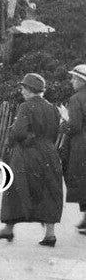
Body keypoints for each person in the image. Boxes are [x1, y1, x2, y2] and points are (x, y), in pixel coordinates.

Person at [0, 73, 63, 246]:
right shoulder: (52, 108)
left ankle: (8, 229)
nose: (21, 90)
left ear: (30, 90)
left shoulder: (26, 107)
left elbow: (19, 132)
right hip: (49, 154)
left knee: (15, 189)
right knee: (49, 191)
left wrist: (14, 132)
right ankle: (50, 235)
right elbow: (54, 131)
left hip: (27, 154)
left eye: (23, 87)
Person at [61, 64, 86, 233]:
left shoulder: (76, 99)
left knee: (80, 181)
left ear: (82, 81)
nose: (72, 81)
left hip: (80, 146)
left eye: (74, 78)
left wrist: (64, 119)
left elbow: (75, 126)